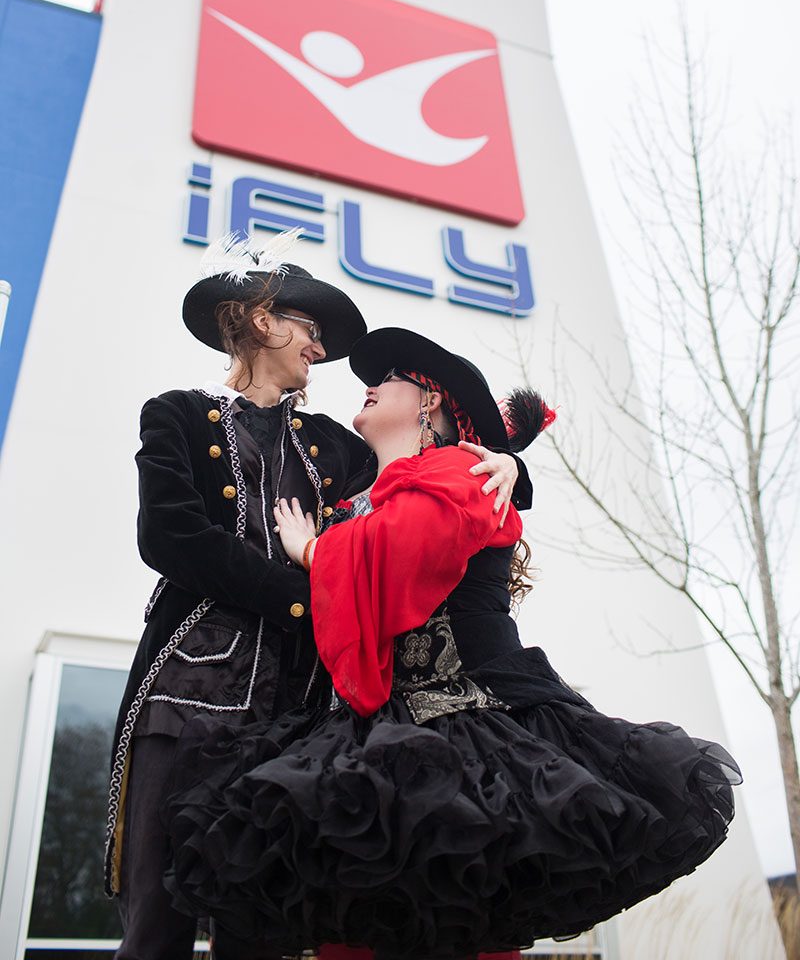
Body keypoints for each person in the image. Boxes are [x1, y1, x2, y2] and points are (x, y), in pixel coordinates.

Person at [162, 328, 741, 960]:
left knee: (464, 919)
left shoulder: (465, 473)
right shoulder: (357, 498)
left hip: (469, 732)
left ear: (429, 400)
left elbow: (401, 555)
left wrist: (314, 550)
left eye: (390, 380)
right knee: (355, 925)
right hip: (372, 734)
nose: (369, 385)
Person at [106, 238, 528, 960]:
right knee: (157, 922)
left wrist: (511, 463)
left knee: (262, 932)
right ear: (263, 321)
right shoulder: (173, 414)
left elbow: (430, 466)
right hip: (186, 703)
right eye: (308, 327)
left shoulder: (334, 445)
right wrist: (309, 594)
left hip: (294, 718)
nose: (320, 345)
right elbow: (173, 540)